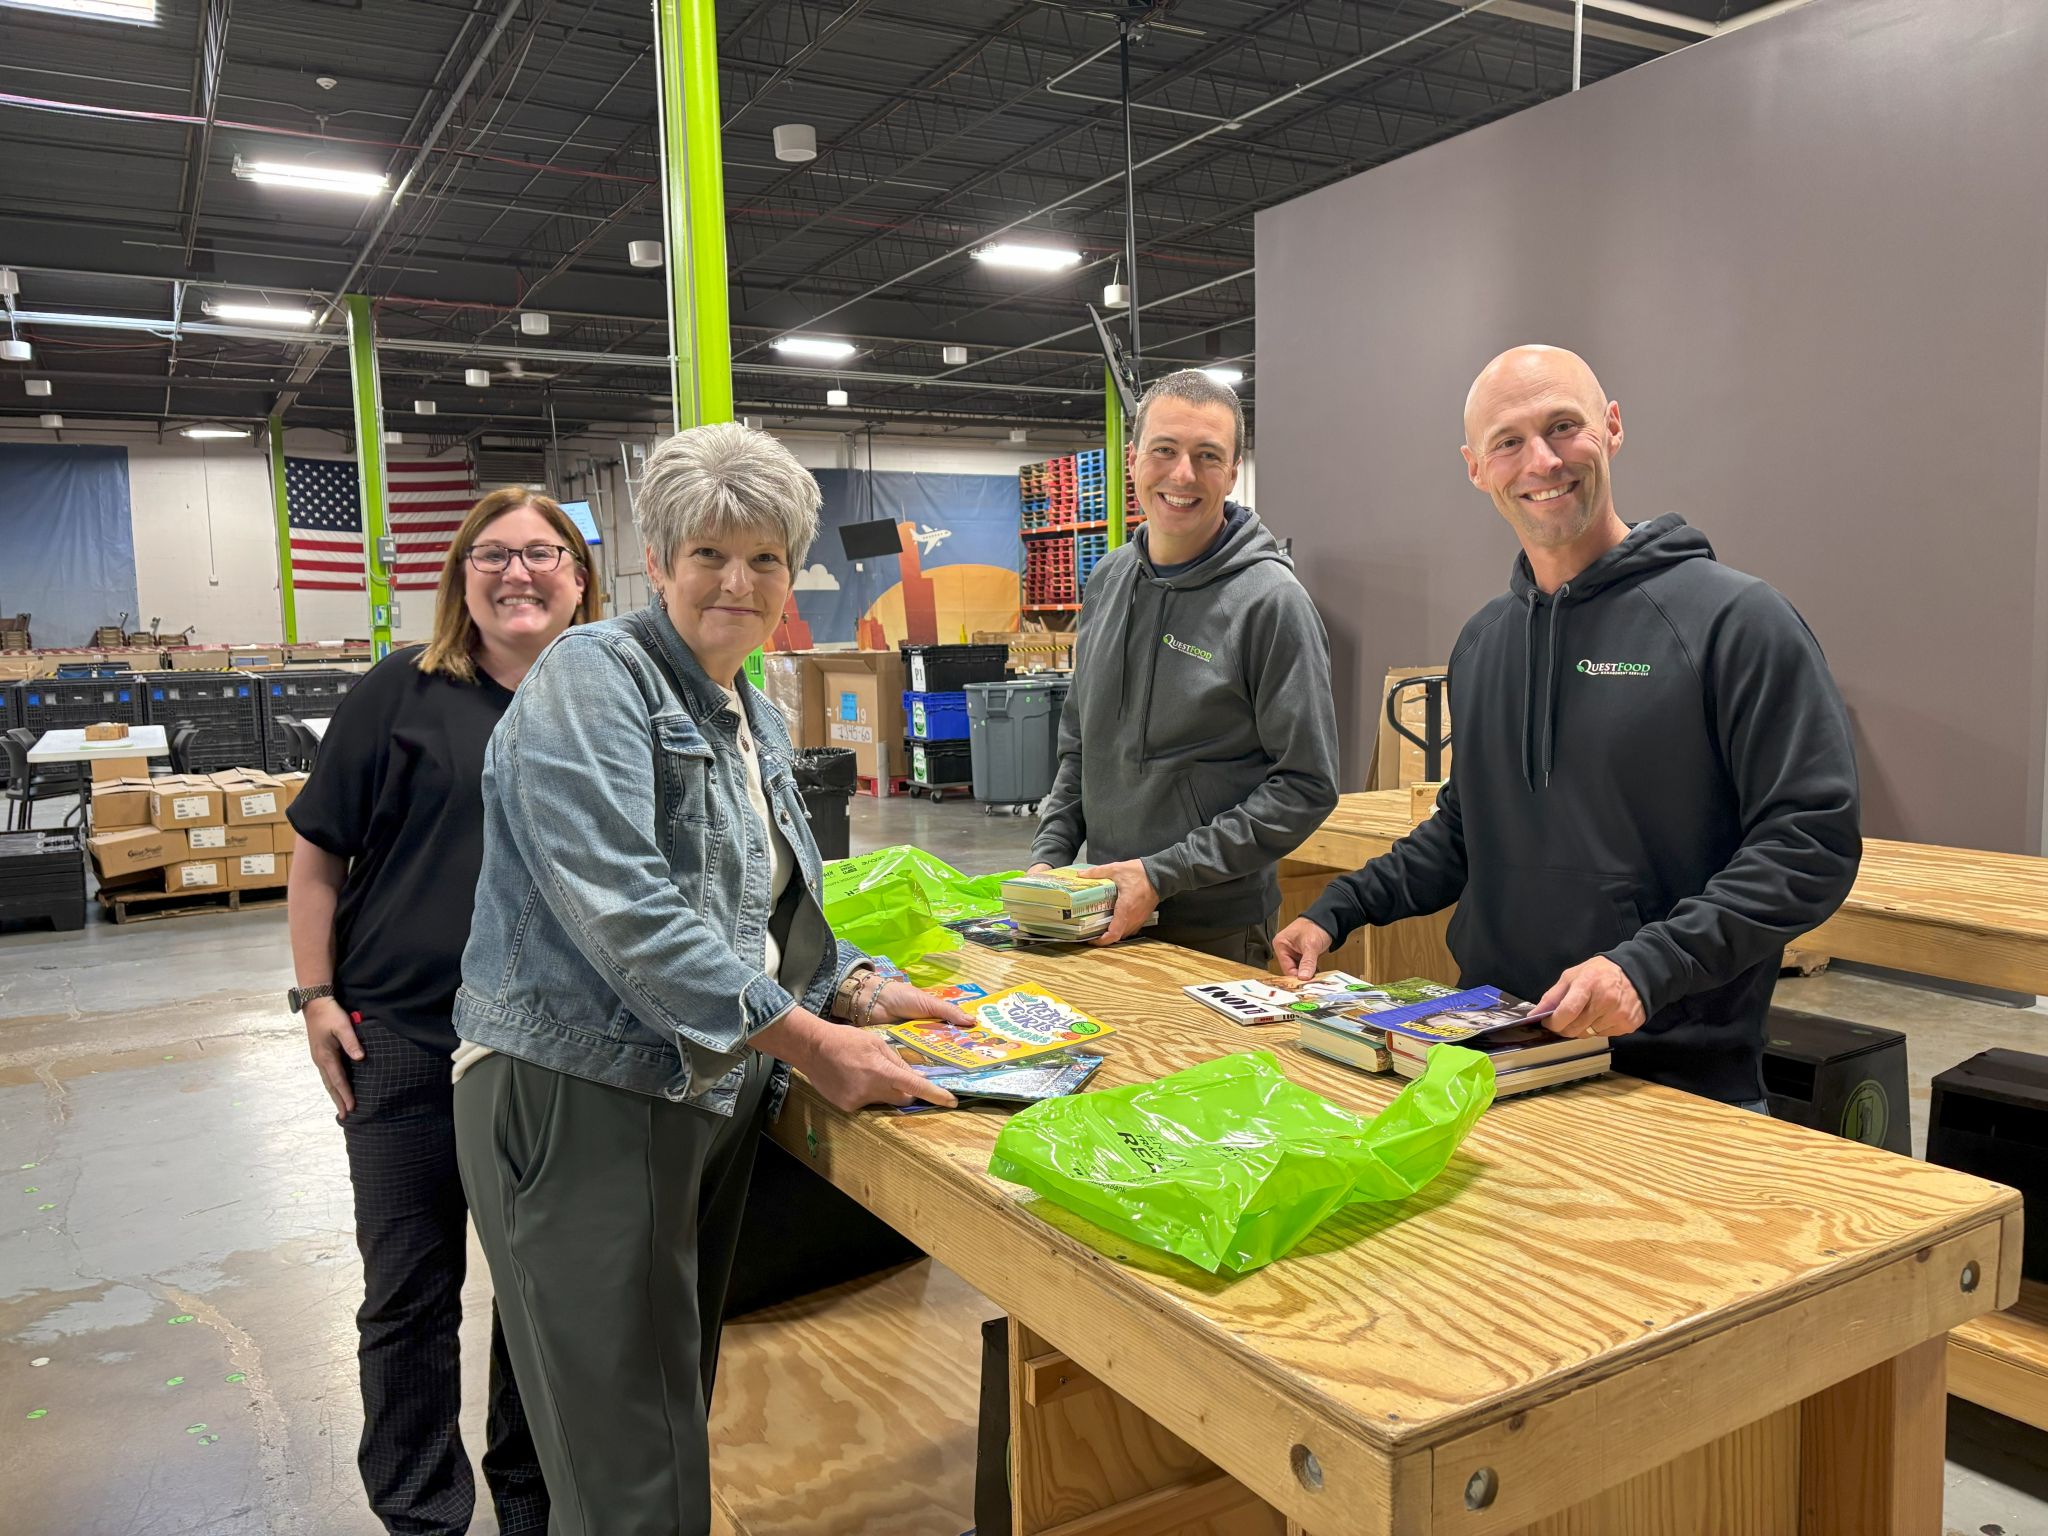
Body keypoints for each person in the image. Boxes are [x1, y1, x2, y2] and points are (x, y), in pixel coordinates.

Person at [449, 421, 963, 1536]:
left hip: (703, 1087)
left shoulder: (749, 709)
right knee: (629, 1466)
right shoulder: (596, 676)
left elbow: (764, 912)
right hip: (584, 1089)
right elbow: (620, 906)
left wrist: (858, 991)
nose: (738, 581)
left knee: (667, 1414)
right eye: (709, 556)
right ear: (657, 564)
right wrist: (812, 1042)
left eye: (765, 558)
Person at [1275, 345, 1861, 1106]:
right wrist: (1336, 912)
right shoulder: (1486, 640)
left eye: (1564, 427)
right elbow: (1466, 828)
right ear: (1475, 467)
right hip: (1491, 1051)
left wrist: (1646, 967)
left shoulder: (1735, 621)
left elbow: (1809, 840)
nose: (1542, 462)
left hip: (1673, 1083)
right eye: (1508, 441)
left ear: (1612, 428)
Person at [286, 486, 602, 1535]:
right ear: (460, 576)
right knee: (410, 1294)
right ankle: (423, 1513)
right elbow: (319, 853)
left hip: (551, 1052)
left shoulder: (604, 702)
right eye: (493, 554)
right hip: (406, 1041)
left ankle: (531, 1502)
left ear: (579, 576)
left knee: (538, 1297)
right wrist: (316, 995)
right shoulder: (399, 695)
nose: (519, 573)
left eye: (543, 552)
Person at [1029, 368, 1339, 965]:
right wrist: (1050, 859)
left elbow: (1306, 784)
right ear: (1132, 459)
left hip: (1213, 932)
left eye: (1207, 456)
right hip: (1098, 911)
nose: (1182, 475)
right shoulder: (1107, 581)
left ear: (1232, 470)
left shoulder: (1271, 603)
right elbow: (1080, 746)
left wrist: (1163, 874)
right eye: (1165, 451)